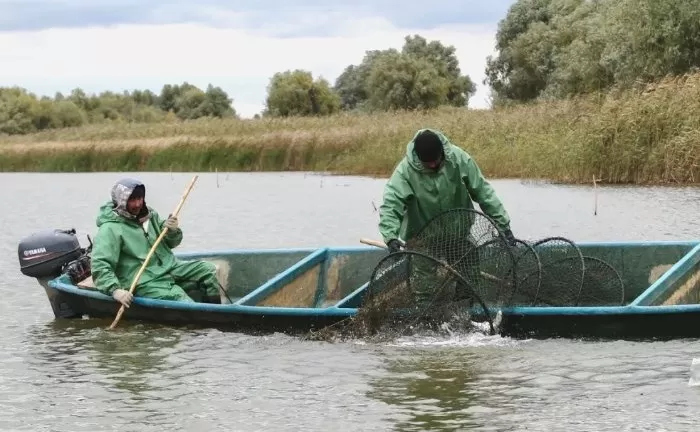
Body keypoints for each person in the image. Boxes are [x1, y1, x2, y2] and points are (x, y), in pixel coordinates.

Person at [378, 128, 517, 306]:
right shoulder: (404, 172)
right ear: (419, 159)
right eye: (428, 164)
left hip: (459, 232)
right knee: (424, 285)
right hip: (422, 238)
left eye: (436, 161)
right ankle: (427, 319)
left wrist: (503, 226)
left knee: (469, 276)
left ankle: (464, 311)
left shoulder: (459, 159)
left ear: (442, 152)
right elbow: (391, 205)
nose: (434, 166)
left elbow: (484, 193)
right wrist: (390, 236)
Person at [90, 178, 224, 308]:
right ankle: (205, 320)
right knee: (179, 298)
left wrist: (172, 231)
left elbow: (171, 243)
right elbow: (100, 264)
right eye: (132, 200)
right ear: (121, 201)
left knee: (208, 271)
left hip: (169, 267)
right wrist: (115, 290)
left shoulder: (150, 215)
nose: (137, 204)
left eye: (140, 199)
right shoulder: (109, 229)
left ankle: (215, 315)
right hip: (144, 280)